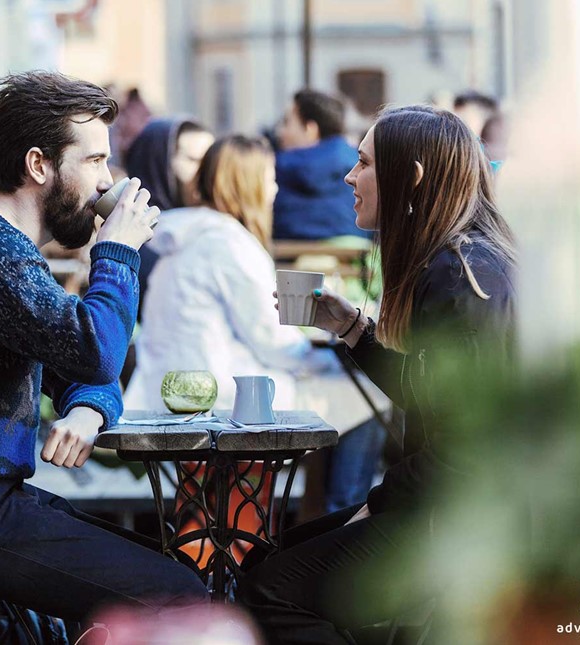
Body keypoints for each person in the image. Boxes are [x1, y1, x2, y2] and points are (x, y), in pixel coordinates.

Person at [0, 71, 209, 622]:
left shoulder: (7, 253)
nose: (107, 182)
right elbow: (97, 349)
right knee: (179, 598)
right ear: (39, 165)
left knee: (175, 578)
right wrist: (116, 253)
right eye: (95, 161)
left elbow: (91, 369)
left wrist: (91, 410)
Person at [238, 105, 517, 644]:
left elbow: (471, 445)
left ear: (409, 177)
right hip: (450, 505)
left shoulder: (462, 274)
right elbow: (433, 396)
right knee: (267, 564)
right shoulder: (462, 261)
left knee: (266, 589)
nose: (348, 175)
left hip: (461, 519)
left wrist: (380, 503)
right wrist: (351, 329)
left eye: (363, 163)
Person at [123, 135, 337, 412]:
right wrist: (332, 358)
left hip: (162, 392)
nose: (274, 191)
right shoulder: (228, 243)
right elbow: (270, 339)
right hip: (214, 397)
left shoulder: (187, 236)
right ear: (248, 185)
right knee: (349, 392)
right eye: (269, 180)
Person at [123, 118, 214, 307]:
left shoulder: (216, 225)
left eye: (211, 161)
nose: (206, 172)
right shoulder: (128, 230)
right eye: (194, 160)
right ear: (157, 161)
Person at [272, 89, 367, 241]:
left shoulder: (274, 170)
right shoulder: (362, 167)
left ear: (310, 129)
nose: (280, 132)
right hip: (356, 260)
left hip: (285, 261)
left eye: (287, 123)